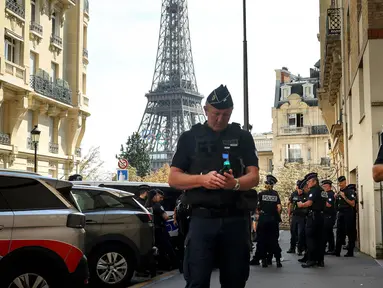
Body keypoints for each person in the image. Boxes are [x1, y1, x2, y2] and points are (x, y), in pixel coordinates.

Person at [168, 84, 259, 288]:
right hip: (202, 218)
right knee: (197, 281)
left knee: (235, 281)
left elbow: (254, 176)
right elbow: (173, 179)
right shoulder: (189, 138)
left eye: (226, 115)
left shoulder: (243, 137)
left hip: (235, 218)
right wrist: (202, 180)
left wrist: (234, 183)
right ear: (205, 110)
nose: (220, 119)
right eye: (216, 114)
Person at [297, 172, 327, 268]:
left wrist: (301, 205)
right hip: (322, 217)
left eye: (309, 182)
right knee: (320, 239)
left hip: (313, 217)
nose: (308, 184)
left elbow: (309, 203)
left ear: (314, 181)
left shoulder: (314, 190)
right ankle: (320, 260)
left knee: (310, 238)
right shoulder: (323, 191)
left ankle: (311, 260)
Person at [146, 189, 178, 270]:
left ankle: (162, 265)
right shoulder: (157, 205)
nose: (159, 198)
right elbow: (166, 217)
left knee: (159, 249)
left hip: (152, 230)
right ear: (154, 197)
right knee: (168, 247)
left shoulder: (147, 205)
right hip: (160, 229)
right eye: (157, 196)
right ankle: (175, 264)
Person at [256, 175, 282, 268]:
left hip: (263, 219)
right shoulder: (275, 194)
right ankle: (277, 260)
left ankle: (264, 261)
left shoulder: (261, 194)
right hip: (273, 220)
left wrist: (260, 213)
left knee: (262, 240)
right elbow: (279, 208)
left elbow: (257, 207)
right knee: (274, 240)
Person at [335, 176, 357, 257]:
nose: (340, 184)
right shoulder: (339, 192)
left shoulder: (349, 191)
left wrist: (344, 197)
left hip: (348, 213)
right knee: (339, 232)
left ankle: (350, 252)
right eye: (339, 183)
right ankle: (337, 251)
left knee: (350, 232)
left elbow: (352, 203)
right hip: (341, 213)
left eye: (341, 182)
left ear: (345, 182)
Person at [287, 180, 308, 256]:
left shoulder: (306, 195)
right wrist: (289, 214)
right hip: (295, 216)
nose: (299, 191)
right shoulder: (294, 194)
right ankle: (292, 248)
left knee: (301, 233)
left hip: (302, 217)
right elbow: (290, 204)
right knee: (293, 232)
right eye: (298, 189)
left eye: (301, 190)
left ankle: (300, 249)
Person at [173, 193, 191, 273]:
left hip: (182, 228)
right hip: (187, 227)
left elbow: (175, 210)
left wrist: (175, 219)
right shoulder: (189, 198)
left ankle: (183, 267)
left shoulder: (180, 198)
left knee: (182, 248)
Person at [322, 180, 336, 254]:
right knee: (327, 232)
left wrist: (322, 200)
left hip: (329, 216)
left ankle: (331, 248)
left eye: (325, 186)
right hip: (325, 215)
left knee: (328, 232)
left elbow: (329, 205)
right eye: (323, 186)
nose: (324, 187)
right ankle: (330, 248)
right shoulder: (325, 194)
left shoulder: (330, 194)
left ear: (329, 186)